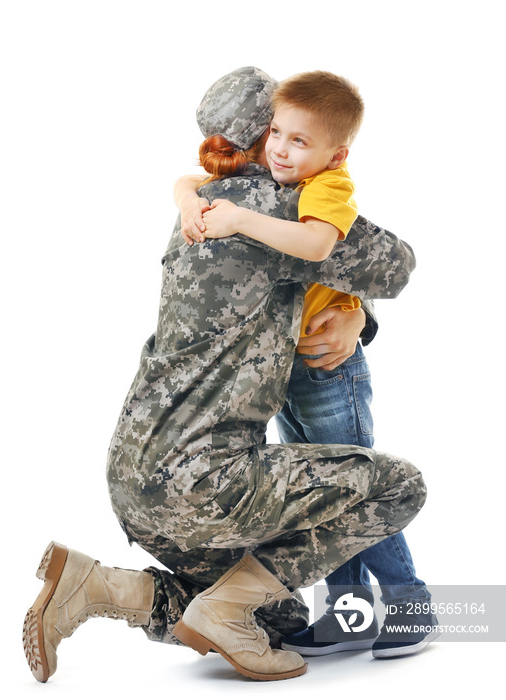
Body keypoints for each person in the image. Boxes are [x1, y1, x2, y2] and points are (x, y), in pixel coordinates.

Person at [23, 67, 426, 684]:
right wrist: (360, 312)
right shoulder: (282, 209)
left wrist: (352, 314)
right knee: (398, 486)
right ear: (265, 134)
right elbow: (395, 266)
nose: (286, 147)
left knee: (280, 616)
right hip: (208, 484)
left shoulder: (197, 212)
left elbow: (296, 275)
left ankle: (98, 585)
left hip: (134, 477)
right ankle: (399, 604)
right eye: (278, 133)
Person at [178, 69, 437, 658]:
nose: (280, 148)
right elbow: (189, 176)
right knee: (318, 495)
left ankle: (409, 603)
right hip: (284, 373)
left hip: (327, 371)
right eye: (275, 133)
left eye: (299, 140)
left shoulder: (325, 188)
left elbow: (322, 247)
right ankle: (351, 616)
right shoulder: (266, 176)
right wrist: (189, 199)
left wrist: (240, 220)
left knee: (357, 487)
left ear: (334, 152)